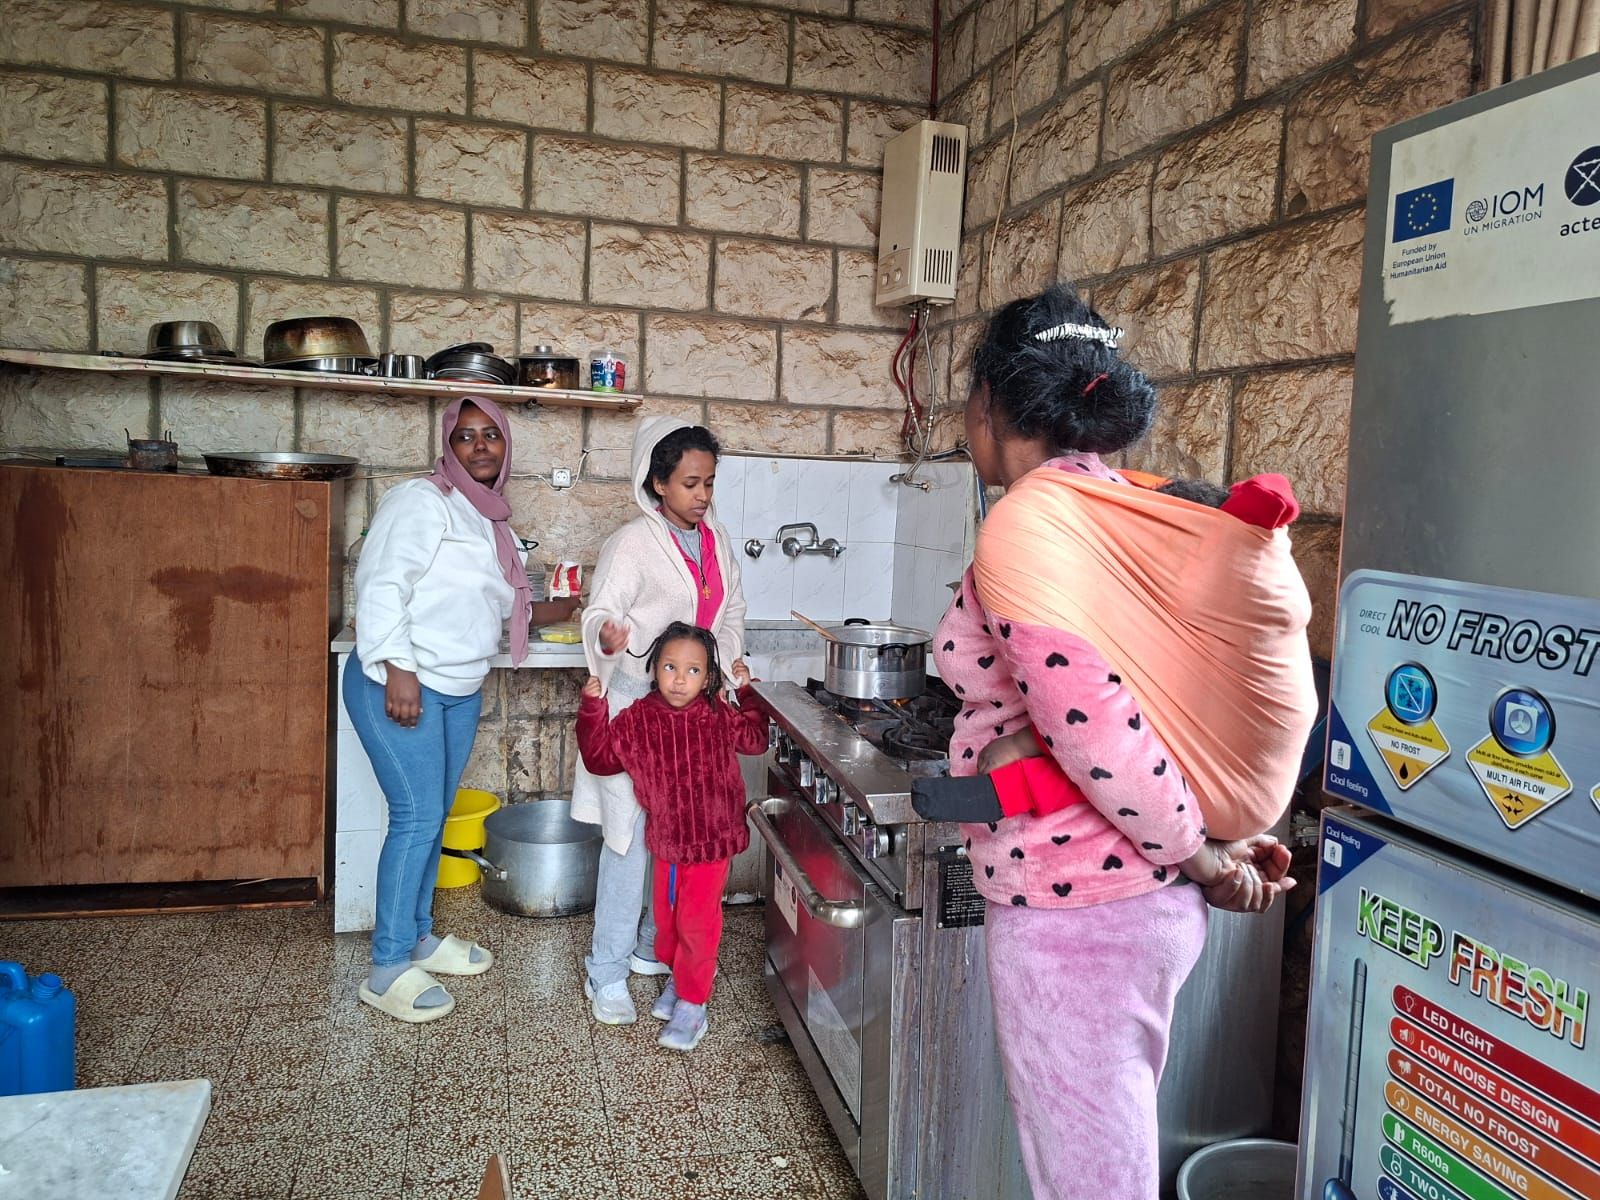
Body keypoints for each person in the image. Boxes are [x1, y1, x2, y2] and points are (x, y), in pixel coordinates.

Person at [929, 285, 1317, 1198]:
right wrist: (1203, 846)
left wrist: (1203, 856)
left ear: (990, 401)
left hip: (1083, 909)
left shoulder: (1027, 523)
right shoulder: (1125, 508)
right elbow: (1159, 701)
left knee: (1092, 1180)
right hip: (1130, 894)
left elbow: (1098, 731)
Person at [346, 396, 579, 1023]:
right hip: (402, 683)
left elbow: (503, 601)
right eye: (467, 436)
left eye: (491, 436)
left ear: (505, 446)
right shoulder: (421, 501)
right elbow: (381, 582)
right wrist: (397, 668)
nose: (480, 447)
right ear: (448, 445)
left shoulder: (489, 520)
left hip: (458, 685)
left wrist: (565, 607)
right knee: (417, 818)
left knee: (435, 813)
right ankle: (388, 964)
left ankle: (419, 935)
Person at [912, 472, 1303, 824]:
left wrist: (1021, 741)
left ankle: (1007, 792)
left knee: (1095, 754)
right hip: (1254, 800)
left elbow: (1105, 714)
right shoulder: (1251, 600)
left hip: (1207, 791)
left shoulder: (1187, 633)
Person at [574, 418, 747, 1026]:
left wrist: (727, 663)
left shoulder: (717, 541)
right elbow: (599, 612)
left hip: (693, 720)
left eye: (709, 483)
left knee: (676, 839)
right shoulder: (632, 543)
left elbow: (731, 612)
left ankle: (654, 950)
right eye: (691, 483)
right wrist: (608, 635)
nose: (703, 495)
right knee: (627, 845)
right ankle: (608, 971)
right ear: (658, 483)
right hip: (638, 713)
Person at [575, 623, 768, 1051]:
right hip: (666, 842)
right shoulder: (640, 718)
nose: (680, 679)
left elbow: (756, 740)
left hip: (712, 840)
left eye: (693, 670)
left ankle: (694, 1004)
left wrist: (748, 693)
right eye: (670, 667)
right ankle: (680, 981)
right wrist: (592, 708)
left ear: (709, 676)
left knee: (697, 925)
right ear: (654, 668)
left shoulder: (718, 714)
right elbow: (601, 760)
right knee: (666, 923)